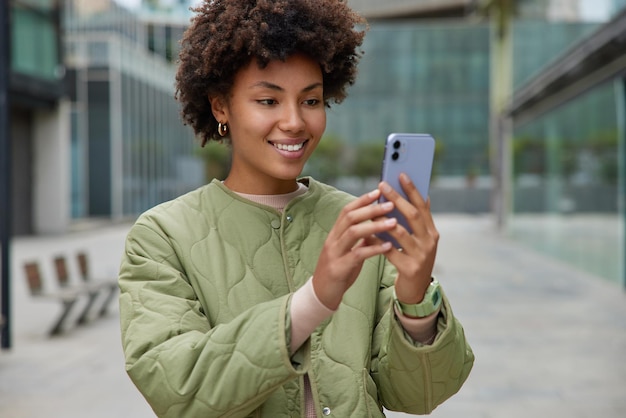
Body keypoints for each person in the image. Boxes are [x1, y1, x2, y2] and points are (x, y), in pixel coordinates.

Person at [118, 1, 474, 417]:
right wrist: (314, 300)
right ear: (220, 106)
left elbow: (417, 396)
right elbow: (177, 390)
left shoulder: (359, 222)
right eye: (268, 101)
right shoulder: (162, 236)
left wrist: (415, 301)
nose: (294, 122)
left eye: (311, 100)